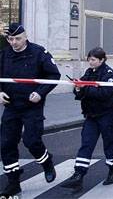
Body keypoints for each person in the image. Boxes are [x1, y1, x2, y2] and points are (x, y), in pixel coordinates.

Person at [0, 23, 60, 196]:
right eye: (10, 39)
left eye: (17, 39)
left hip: (32, 105)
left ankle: (47, 162)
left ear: (26, 37)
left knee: (31, 140)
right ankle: (13, 182)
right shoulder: (4, 54)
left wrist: (40, 93)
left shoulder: (39, 53)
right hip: (11, 105)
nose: (14, 43)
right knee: (6, 143)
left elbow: (53, 75)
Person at [60, 47, 113, 192]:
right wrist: (77, 88)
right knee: (86, 144)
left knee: (110, 143)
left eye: (93, 59)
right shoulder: (89, 72)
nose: (90, 62)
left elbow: (105, 93)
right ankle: (78, 175)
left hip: (107, 116)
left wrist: (84, 88)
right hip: (91, 115)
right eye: (89, 59)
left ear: (102, 60)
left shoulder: (109, 75)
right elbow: (81, 88)